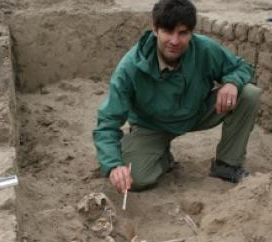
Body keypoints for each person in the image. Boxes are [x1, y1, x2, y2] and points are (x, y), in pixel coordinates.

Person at [93, 0, 260, 193]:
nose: (174, 41)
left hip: (196, 112)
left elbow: (242, 66)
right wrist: (114, 164)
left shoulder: (204, 49)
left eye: (182, 33)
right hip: (152, 126)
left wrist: (232, 82)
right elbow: (107, 123)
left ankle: (227, 165)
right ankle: (163, 157)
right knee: (135, 179)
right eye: (168, 31)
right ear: (155, 29)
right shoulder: (130, 67)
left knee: (248, 93)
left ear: (191, 32)